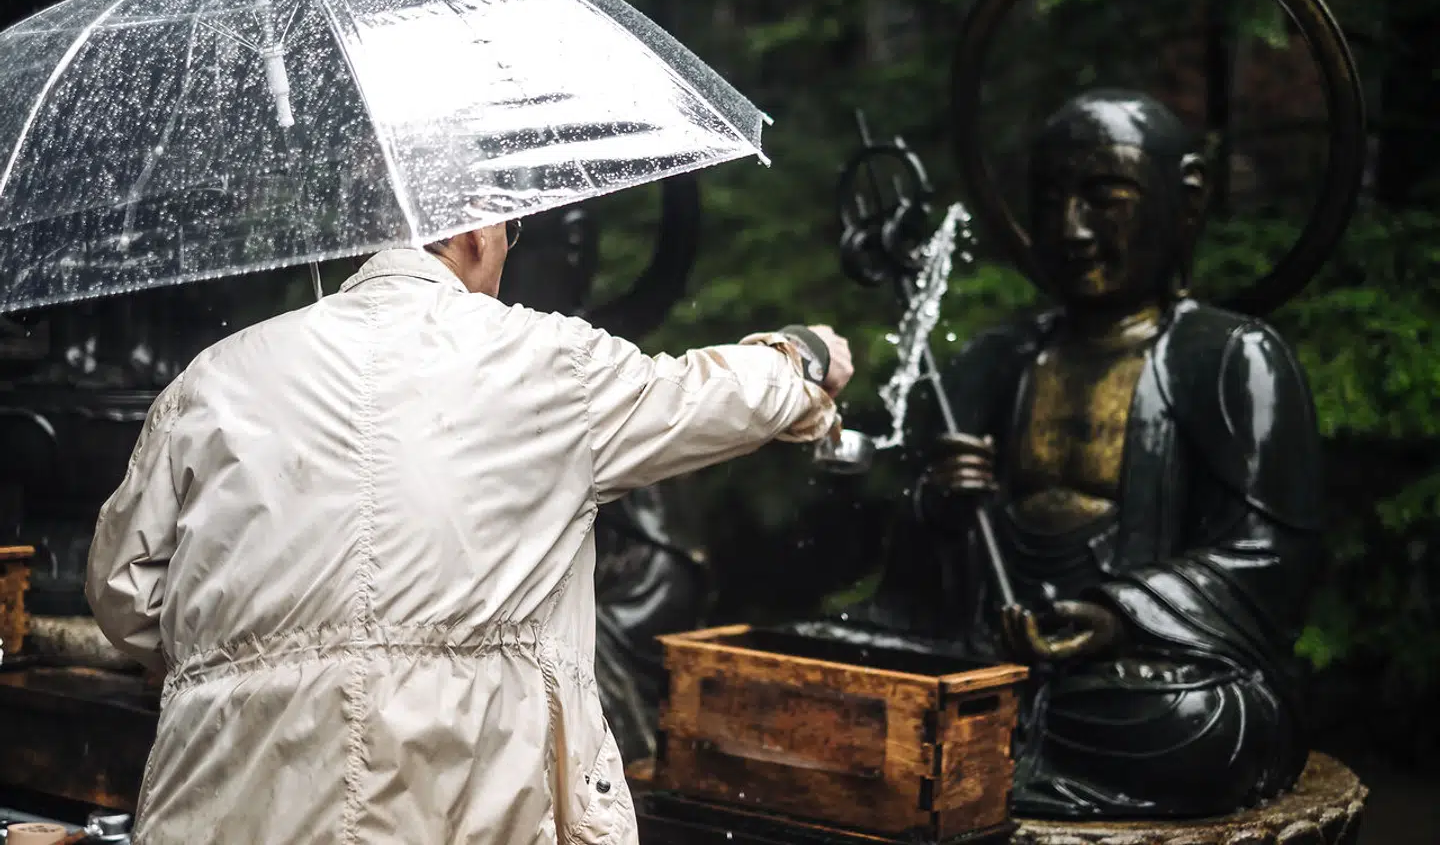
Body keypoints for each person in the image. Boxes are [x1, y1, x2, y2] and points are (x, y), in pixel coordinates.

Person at [86, 218, 854, 845]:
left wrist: (243, 661)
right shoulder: (547, 360)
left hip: (220, 803)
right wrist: (799, 361)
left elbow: (123, 590)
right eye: (511, 232)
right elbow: (704, 397)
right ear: (476, 231)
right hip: (459, 804)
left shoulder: (213, 378)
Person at [858, 90, 1323, 818]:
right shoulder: (998, 359)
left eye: (1105, 200)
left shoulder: (1230, 357)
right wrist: (939, 508)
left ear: (1186, 201)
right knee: (873, 675)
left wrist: (1120, 615)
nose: (1070, 229)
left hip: (1141, 677)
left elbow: (1273, 559)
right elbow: (913, 589)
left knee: (1204, 720)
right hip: (994, 654)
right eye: (1050, 201)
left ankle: (991, 757)